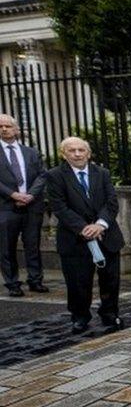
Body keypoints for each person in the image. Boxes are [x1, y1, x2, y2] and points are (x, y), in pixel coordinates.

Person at [46, 137, 125, 334]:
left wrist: (100, 225)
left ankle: (109, 313)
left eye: (81, 150)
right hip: (75, 239)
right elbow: (59, 207)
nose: (77, 154)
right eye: (72, 150)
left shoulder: (103, 173)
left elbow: (111, 202)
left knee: (110, 280)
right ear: (64, 154)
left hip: (106, 236)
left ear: (88, 153)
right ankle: (80, 317)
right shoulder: (55, 176)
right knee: (78, 282)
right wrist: (83, 228)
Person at [0, 114, 48, 297]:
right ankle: (13, 284)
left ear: (16, 129)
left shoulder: (31, 152)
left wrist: (29, 195)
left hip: (31, 205)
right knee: (7, 247)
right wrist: (13, 194)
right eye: (0, 126)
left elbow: (42, 175)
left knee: (33, 245)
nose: (4, 129)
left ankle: (35, 280)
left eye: (8, 126)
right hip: (5, 206)